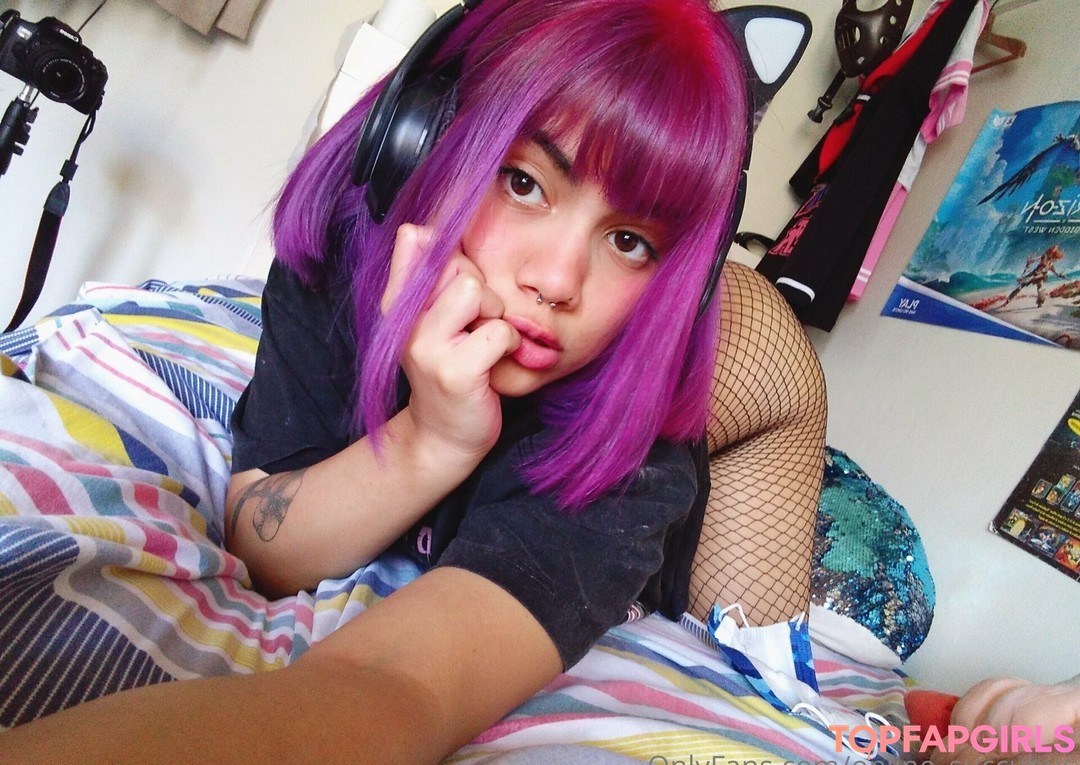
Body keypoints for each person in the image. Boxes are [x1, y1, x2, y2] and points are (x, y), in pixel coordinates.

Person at [3, 0, 827, 761]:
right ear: (418, 139)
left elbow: (400, 686)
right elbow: (264, 540)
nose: (556, 280)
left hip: (766, 388)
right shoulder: (339, 254)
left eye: (631, 241)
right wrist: (430, 439)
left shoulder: (640, 465)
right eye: (524, 181)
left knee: (761, 661)